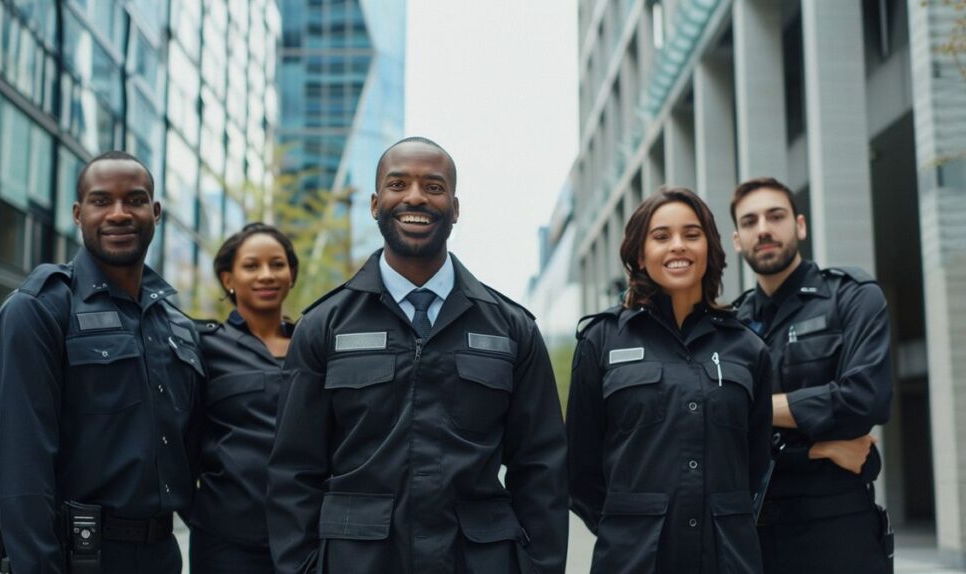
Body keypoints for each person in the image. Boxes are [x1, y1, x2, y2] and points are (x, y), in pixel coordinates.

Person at [266, 137, 568, 574]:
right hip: (357, 562)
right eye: (398, 184)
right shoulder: (325, 326)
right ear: (375, 203)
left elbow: (542, 467)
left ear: (455, 207)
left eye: (433, 186)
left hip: (479, 561)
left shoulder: (511, 328)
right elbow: (294, 468)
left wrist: (535, 567)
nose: (414, 197)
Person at [0, 151, 203, 573]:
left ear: (155, 212)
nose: (119, 214)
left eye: (135, 200)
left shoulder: (176, 326)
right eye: (102, 201)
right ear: (77, 213)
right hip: (76, 559)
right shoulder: (40, 309)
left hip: (162, 555)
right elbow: (21, 474)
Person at [567, 187, 773, 574]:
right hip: (633, 561)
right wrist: (632, 526)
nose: (678, 246)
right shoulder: (602, 341)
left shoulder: (748, 348)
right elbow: (580, 472)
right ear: (640, 255)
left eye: (692, 235)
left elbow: (755, 464)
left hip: (727, 560)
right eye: (661, 237)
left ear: (709, 248)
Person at [729, 177, 894, 574]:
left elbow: (863, 400)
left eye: (776, 216)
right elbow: (719, 432)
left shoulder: (852, 297)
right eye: (750, 222)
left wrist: (756, 407)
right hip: (752, 539)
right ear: (737, 241)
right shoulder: (729, 327)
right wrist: (816, 449)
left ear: (800, 225)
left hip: (837, 531)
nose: (763, 228)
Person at [188, 223, 299, 573]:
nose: (266, 275)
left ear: (291, 274)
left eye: (277, 264)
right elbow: (179, 434)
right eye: (252, 266)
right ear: (228, 279)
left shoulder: (316, 346)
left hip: (305, 534)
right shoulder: (204, 345)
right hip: (226, 541)